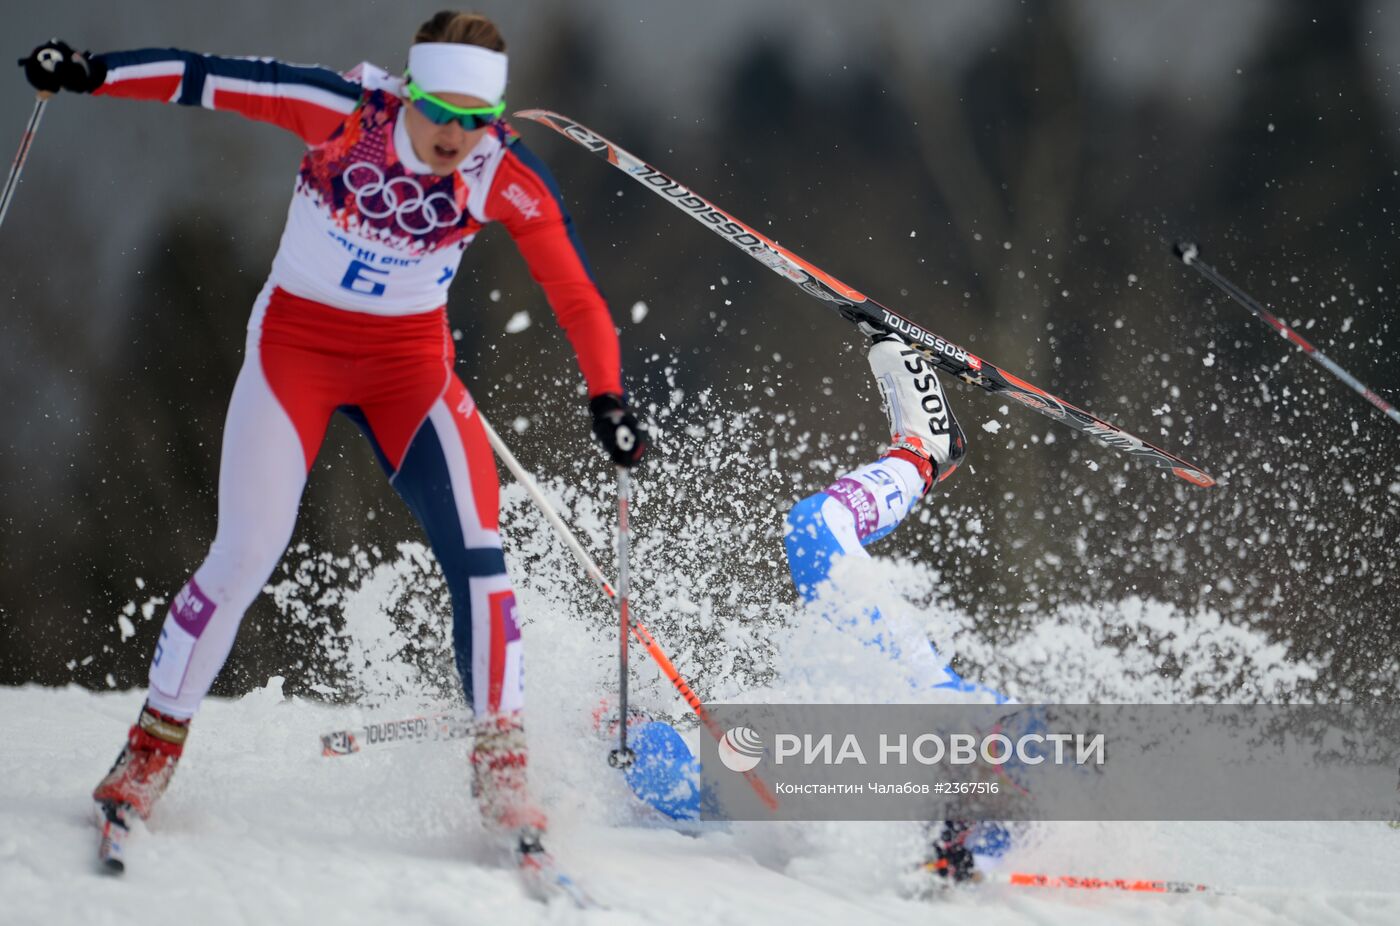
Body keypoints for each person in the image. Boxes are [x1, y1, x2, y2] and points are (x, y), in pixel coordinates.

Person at [20, 11, 648, 860]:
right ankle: (146, 756)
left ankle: (503, 772)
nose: (456, 138)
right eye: (441, 113)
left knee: (480, 553)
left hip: (408, 372)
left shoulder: (505, 173)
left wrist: (606, 397)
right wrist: (94, 72)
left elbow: (575, 294)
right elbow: (208, 76)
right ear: (409, 91)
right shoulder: (342, 111)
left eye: (477, 121)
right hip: (297, 354)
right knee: (245, 553)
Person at [619, 327, 1012, 883]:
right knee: (814, 527)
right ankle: (922, 454)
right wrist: (979, 851)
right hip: (900, 691)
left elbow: (679, 789)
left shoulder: (807, 814)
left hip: (861, 713)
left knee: (814, 526)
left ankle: (921, 453)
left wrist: (616, 728)